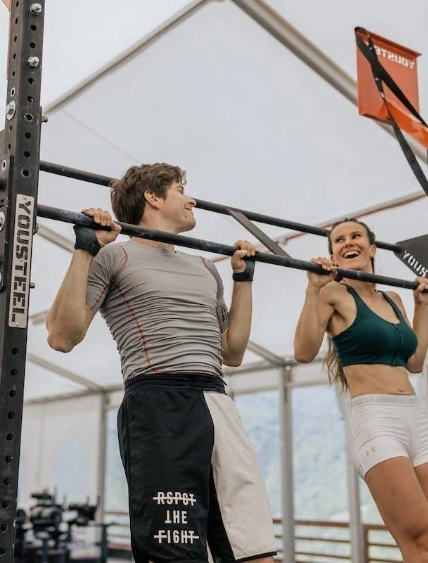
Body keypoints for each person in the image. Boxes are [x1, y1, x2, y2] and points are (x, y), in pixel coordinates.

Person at [45, 162, 277, 563]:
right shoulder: (114, 256)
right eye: (181, 188)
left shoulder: (206, 268)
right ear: (153, 197)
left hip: (217, 400)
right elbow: (62, 336)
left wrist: (244, 279)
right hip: (157, 403)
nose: (191, 198)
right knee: (173, 554)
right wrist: (85, 248)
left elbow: (233, 352)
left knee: (254, 552)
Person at [293, 218, 428, 563]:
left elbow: (415, 361)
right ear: (333, 253)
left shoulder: (393, 299)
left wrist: (421, 307)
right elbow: (303, 351)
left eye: (356, 236)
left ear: (372, 248)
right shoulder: (333, 293)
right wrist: (312, 288)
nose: (348, 242)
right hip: (376, 419)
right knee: (422, 539)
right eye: (339, 240)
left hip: (416, 418)